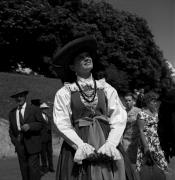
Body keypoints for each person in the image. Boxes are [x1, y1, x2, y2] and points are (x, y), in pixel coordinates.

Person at [52, 36, 137, 180]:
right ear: (72, 67)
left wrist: (111, 143)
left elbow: (118, 116)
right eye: (81, 57)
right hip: (80, 141)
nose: (87, 58)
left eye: (88, 56)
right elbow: (61, 122)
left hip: (106, 139)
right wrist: (80, 146)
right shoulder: (65, 92)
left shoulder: (106, 87)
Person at [9, 88, 43, 180]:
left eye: (21, 96)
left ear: (25, 97)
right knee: (24, 170)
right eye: (17, 97)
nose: (19, 98)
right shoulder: (12, 113)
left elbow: (41, 124)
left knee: (33, 170)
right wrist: (15, 142)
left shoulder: (34, 109)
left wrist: (30, 126)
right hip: (20, 146)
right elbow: (11, 130)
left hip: (33, 144)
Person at [136, 91, 168, 173]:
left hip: (156, 142)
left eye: (156, 101)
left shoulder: (156, 113)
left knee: (163, 165)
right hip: (146, 142)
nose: (155, 103)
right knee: (145, 167)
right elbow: (141, 130)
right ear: (147, 102)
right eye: (153, 101)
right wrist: (146, 146)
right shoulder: (141, 114)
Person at [122, 93, 141, 165]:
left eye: (129, 100)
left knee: (136, 162)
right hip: (125, 139)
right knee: (126, 161)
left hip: (136, 140)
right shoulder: (122, 112)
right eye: (126, 101)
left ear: (133, 101)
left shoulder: (139, 111)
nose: (127, 102)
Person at [40, 102, 54, 173]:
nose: (46, 109)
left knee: (49, 153)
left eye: (46, 108)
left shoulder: (48, 116)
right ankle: (45, 167)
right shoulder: (39, 117)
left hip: (49, 138)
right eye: (44, 108)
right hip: (42, 138)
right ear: (42, 109)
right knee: (43, 154)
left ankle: (51, 167)